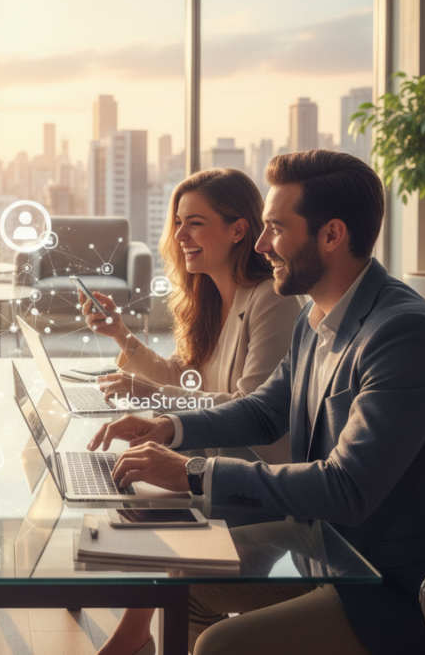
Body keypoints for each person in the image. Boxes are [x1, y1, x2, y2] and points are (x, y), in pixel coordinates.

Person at [88, 150, 425, 655]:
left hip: (403, 587)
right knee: (178, 580)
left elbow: (347, 487)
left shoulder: (405, 335)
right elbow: (263, 409)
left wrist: (192, 472)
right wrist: (169, 428)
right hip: (329, 549)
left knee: (223, 645)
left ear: (331, 235)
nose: (261, 245)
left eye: (276, 230)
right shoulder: (316, 318)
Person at [81, 168, 302, 655]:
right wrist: (122, 337)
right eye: (178, 222)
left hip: (255, 474)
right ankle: (135, 635)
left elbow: (251, 407)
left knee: (144, 486)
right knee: (131, 482)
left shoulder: (272, 302)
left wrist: (152, 400)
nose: (179, 235)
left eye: (195, 223)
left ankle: (132, 637)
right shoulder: (210, 298)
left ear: (238, 229)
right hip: (217, 455)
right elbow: (183, 381)